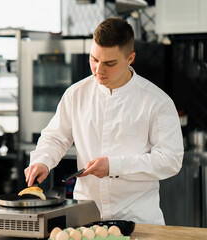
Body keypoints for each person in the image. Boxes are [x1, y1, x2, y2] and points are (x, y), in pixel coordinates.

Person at [24, 17, 184, 225]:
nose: (99, 70)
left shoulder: (157, 101)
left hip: (139, 221)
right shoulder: (76, 94)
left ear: (131, 58)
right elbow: (56, 136)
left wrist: (114, 166)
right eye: (94, 59)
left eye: (109, 63)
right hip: (85, 219)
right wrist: (43, 160)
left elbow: (170, 160)